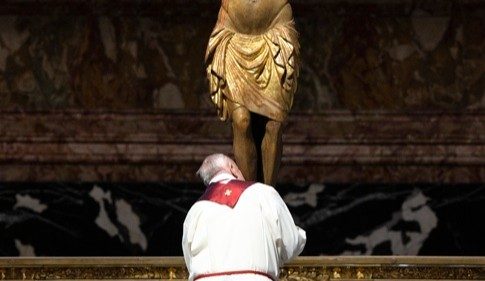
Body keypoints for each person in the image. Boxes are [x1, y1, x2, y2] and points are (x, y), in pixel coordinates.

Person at [205, 0, 300, 185]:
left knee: (274, 126)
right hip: (234, 37)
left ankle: (268, 193)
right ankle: (248, 192)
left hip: (275, 32)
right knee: (241, 121)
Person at [182, 154, 306, 281]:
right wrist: (300, 236)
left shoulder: (195, 211)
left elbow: (189, 260)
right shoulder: (264, 193)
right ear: (232, 168)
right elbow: (290, 244)